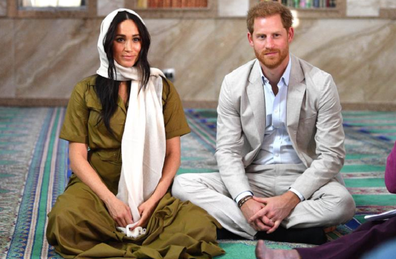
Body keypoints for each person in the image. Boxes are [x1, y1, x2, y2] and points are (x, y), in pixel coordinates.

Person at [46, 8, 224, 259]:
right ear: (107, 44)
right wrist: (111, 201)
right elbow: (77, 157)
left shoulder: (161, 88)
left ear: (143, 43)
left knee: (199, 225)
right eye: (120, 39)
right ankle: (130, 236)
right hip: (98, 187)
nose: (129, 48)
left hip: (149, 189)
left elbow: (173, 155)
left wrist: (152, 202)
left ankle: (121, 235)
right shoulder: (85, 90)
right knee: (64, 221)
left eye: (136, 39)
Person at [172, 1, 355, 244]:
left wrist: (290, 198)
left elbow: (332, 155)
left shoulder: (320, 83)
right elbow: (227, 151)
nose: (269, 44)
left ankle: (241, 225)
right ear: (250, 39)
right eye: (261, 36)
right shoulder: (233, 83)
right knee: (183, 185)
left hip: (303, 176)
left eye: (276, 35)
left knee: (343, 203)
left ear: (289, 34)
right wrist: (244, 199)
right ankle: (288, 229)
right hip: (253, 177)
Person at [255, 141, 396, 259]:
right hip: (255, 177)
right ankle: (283, 234)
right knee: (374, 227)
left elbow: (392, 182)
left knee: (376, 227)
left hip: (300, 176)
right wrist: (244, 200)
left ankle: (262, 229)